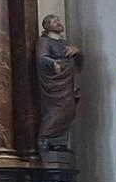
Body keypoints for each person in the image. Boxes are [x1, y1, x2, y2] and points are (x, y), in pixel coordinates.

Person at [34, 13, 82, 153]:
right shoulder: (44, 41)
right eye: (55, 21)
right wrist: (53, 63)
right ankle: (45, 139)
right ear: (47, 26)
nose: (59, 23)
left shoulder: (62, 41)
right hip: (55, 86)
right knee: (56, 112)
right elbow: (42, 58)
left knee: (69, 111)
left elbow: (77, 60)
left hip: (68, 82)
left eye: (59, 20)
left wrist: (76, 51)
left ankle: (59, 142)